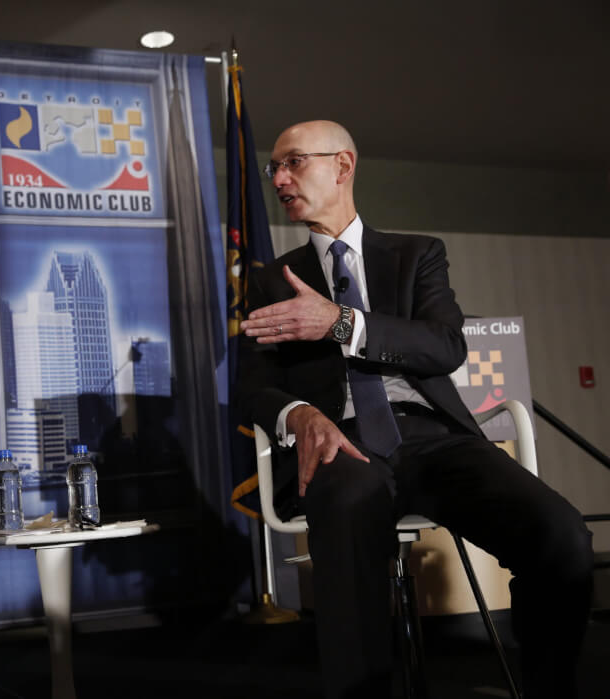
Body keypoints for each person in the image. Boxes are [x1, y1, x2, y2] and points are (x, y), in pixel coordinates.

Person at [236, 120, 593, 699]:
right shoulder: (272, 281)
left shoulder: (416, 254)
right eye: (273, 168)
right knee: (347, 506)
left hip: (436, 440)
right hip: (340, 441)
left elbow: (444, 346)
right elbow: (252, 385)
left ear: (343, 166)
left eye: (293, 162)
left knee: (562, 536)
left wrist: (340, 322)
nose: (278, 179)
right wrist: (298, 413)